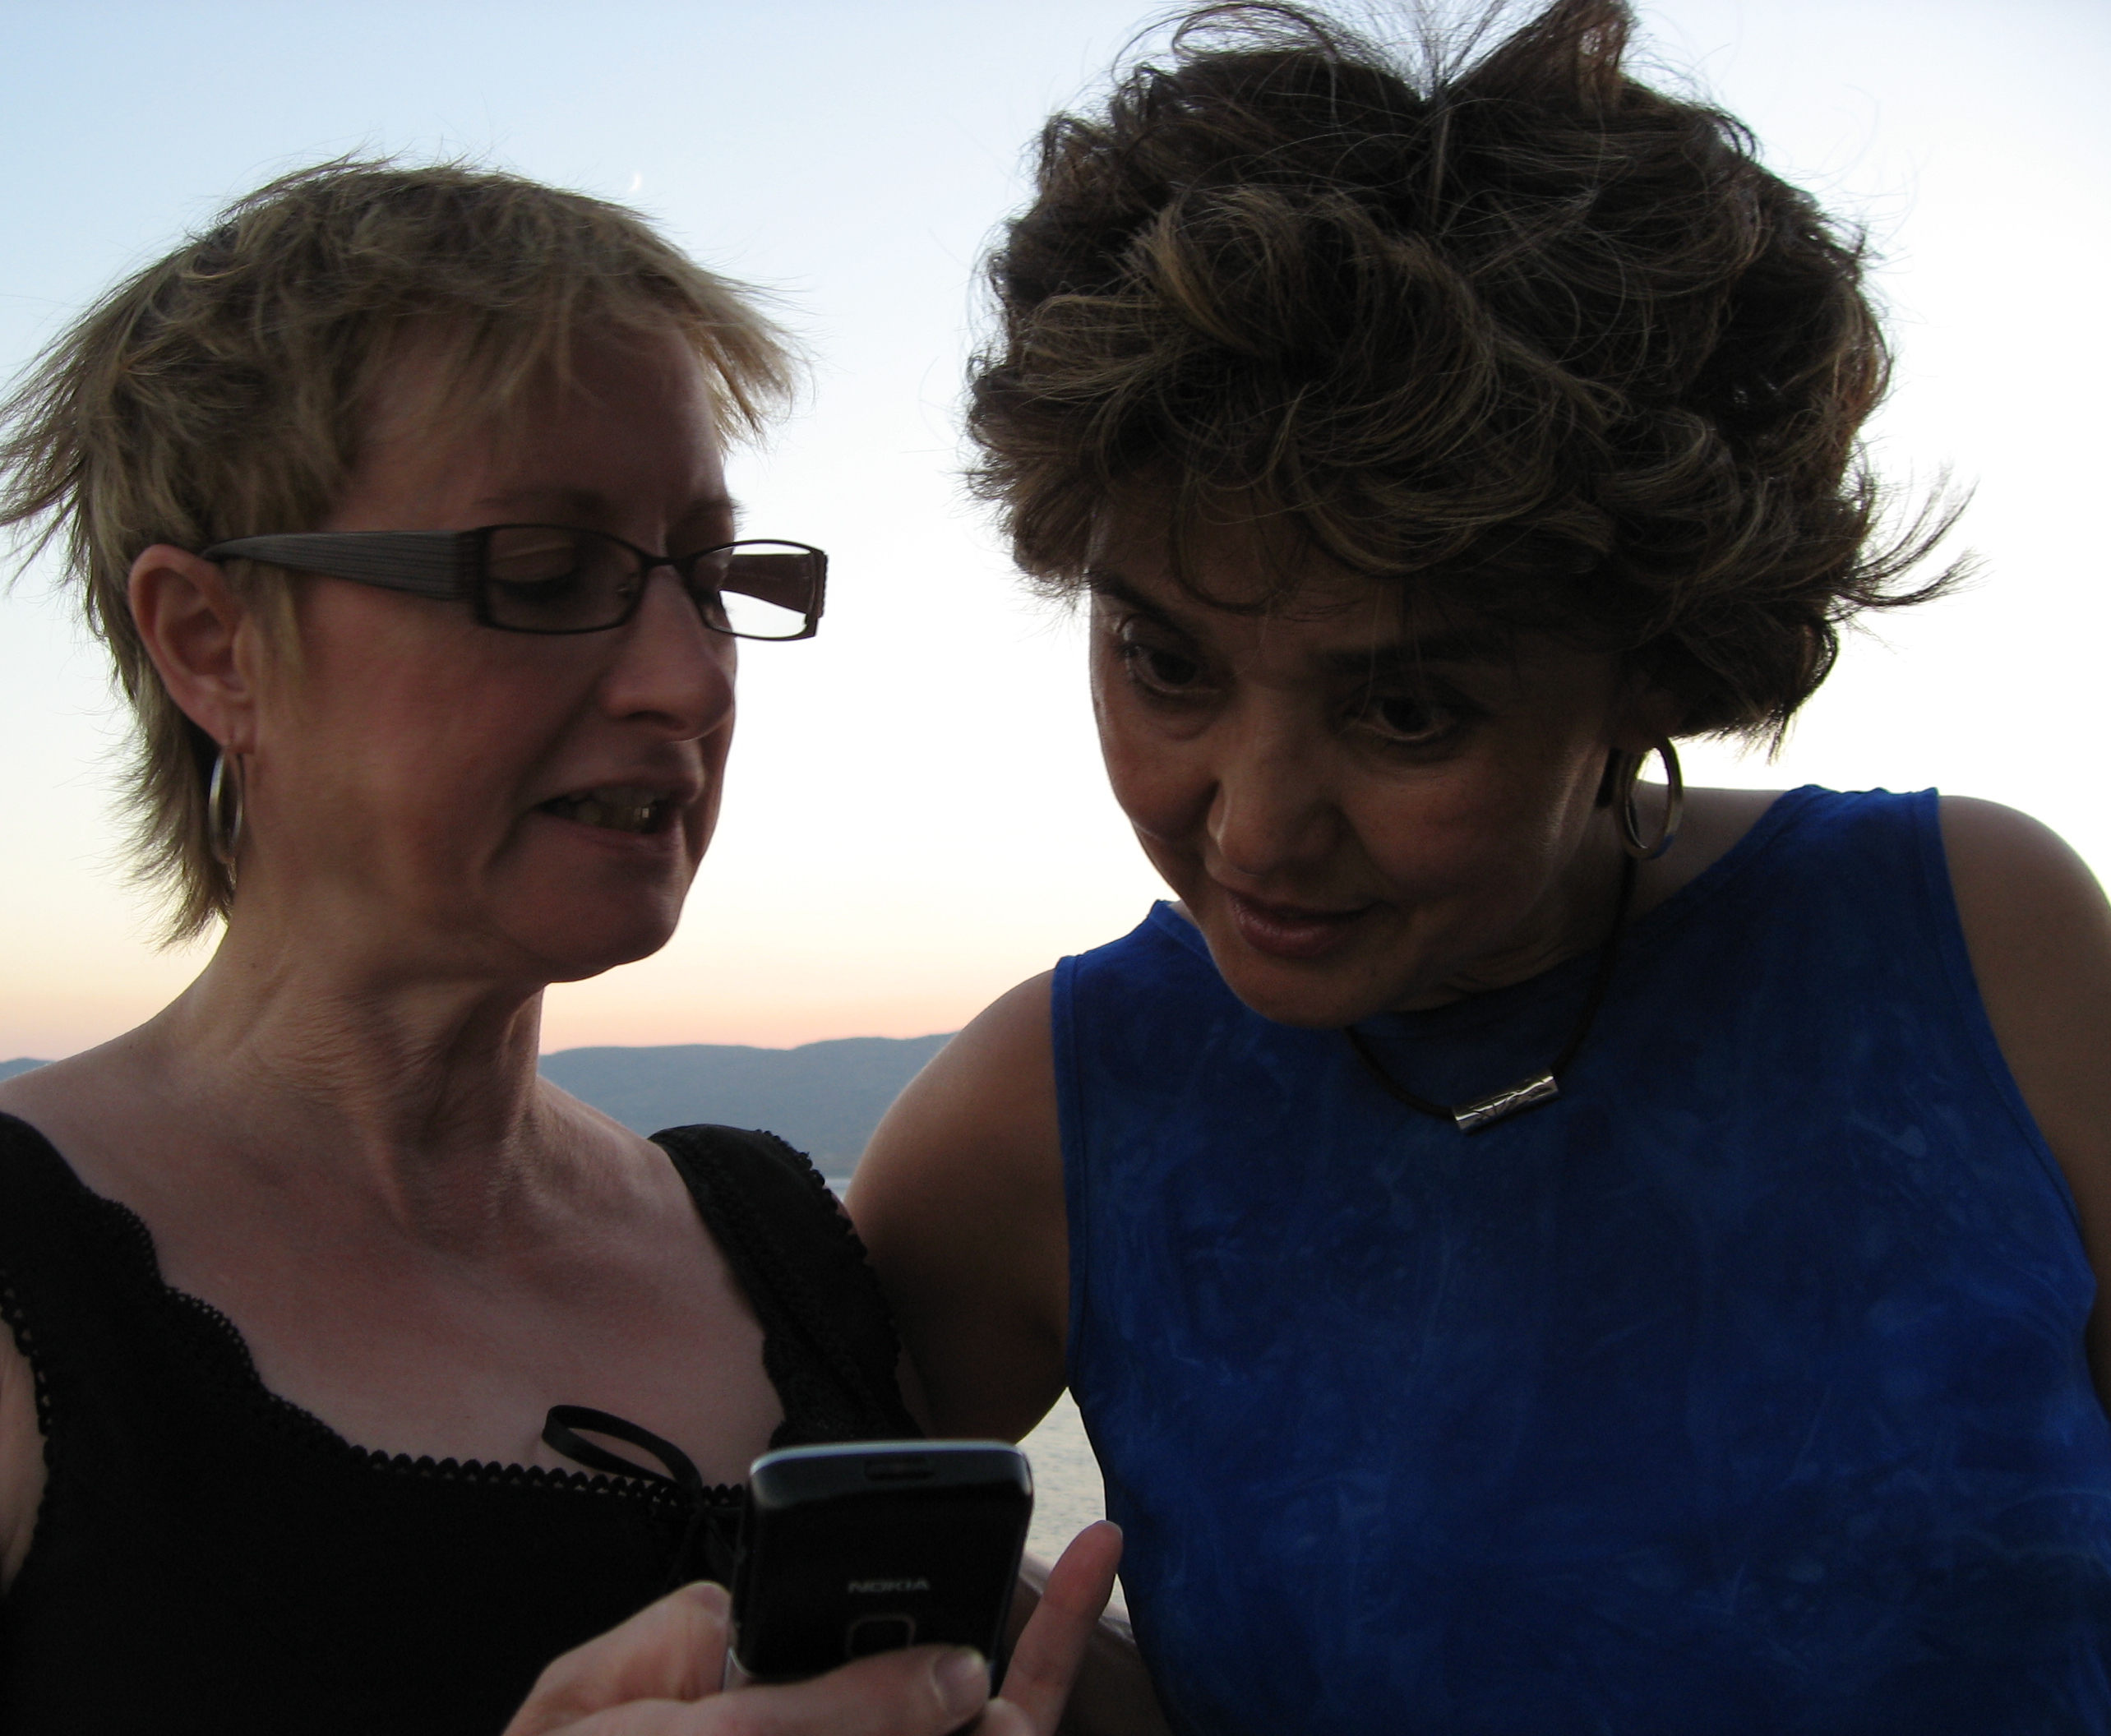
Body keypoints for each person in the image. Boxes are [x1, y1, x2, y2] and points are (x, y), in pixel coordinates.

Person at [847, 2, 2111, 1730]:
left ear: (1656, 669)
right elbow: (774, 1564)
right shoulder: (1047, 1124)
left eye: (1406, 711)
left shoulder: (1983, 946)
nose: (1252, 826)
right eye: (1166, 663)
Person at [0, 159, 1116, 1735]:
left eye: (710, 580)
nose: (690, 679)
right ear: (212, 643)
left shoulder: (782, 1247)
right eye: (546, 577)